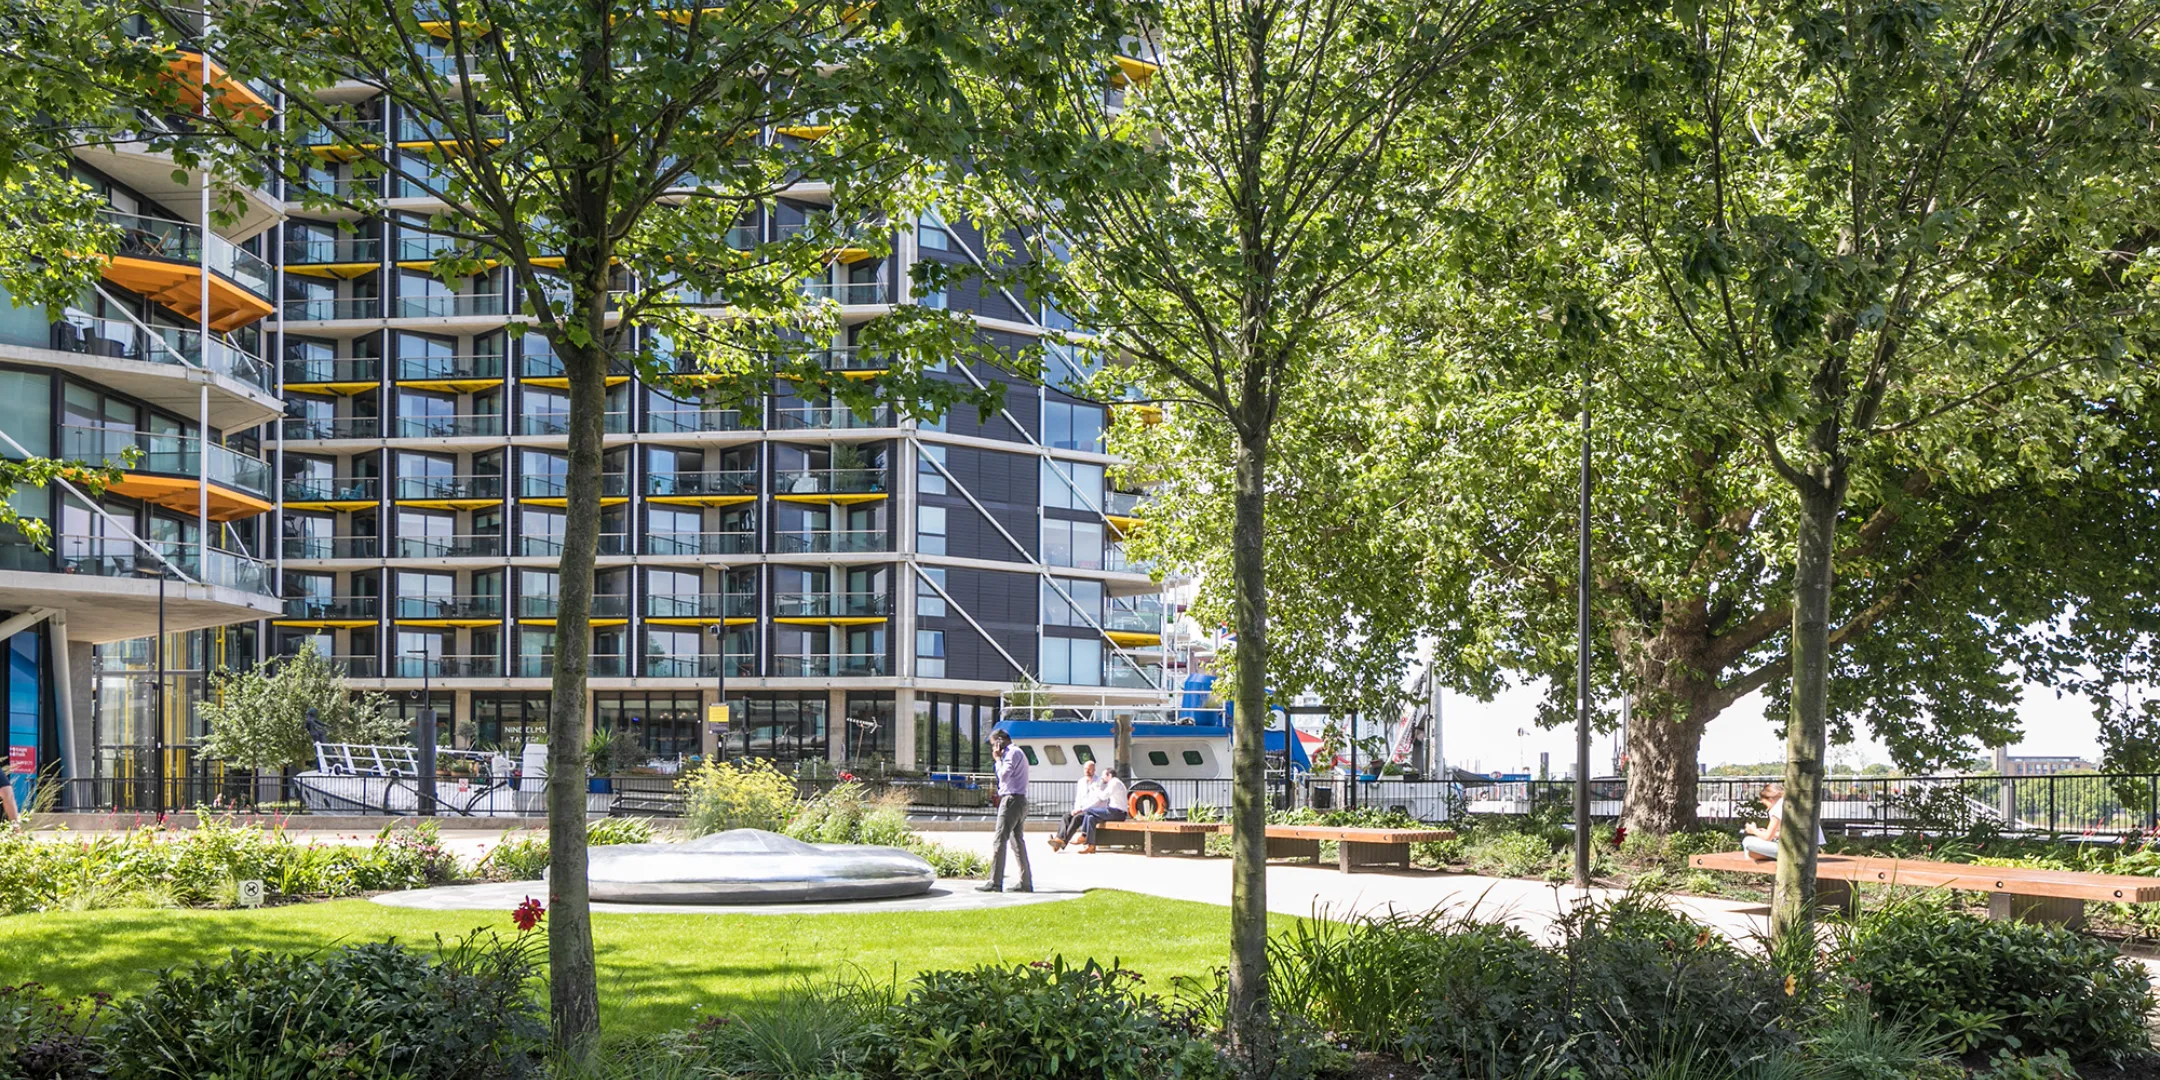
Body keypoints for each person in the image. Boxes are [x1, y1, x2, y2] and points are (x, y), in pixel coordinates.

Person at [978, 729, 1033, 892]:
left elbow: (1003, 775)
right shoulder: (1019, 752)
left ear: (1000, 742)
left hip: (1011, 800)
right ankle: (1025, 882)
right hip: (1019, 800)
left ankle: (995, 882)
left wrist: (997, 759)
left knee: (999, 841)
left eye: (993, 744)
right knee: (1017, 843)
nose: (992, 748)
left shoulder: (1012, 753)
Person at [1742, 782, 1825, 860]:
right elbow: (1791, 833)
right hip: (1811, 851)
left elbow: (1767, 837)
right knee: (1751, 852)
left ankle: (1771, 857)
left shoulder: (1777, 807)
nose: (1767, 808)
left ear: (1770, 800)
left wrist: (1754, 830)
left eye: (1765, 804)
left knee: (1747, 842)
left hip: (1794, 852)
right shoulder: (1795, 801)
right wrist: (1772, 834)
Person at [1048, 759, 1103, 852]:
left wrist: (1081, 810)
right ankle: (1059, 839)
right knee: (1066, 816)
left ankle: (1061, 841)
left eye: (1089, 769)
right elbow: (1078, 797)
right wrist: (1076, 809)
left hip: (1091, 810)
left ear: (1094, 770)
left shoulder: (1098, 782)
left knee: (1076, 819)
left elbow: (1096, 800)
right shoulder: (1081, 781)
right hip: (1080, 809)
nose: (1087, 771)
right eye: (1085, 769)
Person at [1073, 768, 1129, 854]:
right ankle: (1091, 846)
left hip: (1118, 812)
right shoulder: (1115, 783)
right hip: (1114, 811)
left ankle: (1083, 835)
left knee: (1089, 810)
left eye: (1103, 775)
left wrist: (1096, 788)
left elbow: (1103, 796)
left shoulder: (1114, 782)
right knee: (1091, 818)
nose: (1102, 778)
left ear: (1109, 775)